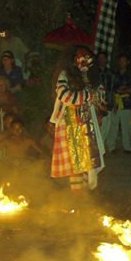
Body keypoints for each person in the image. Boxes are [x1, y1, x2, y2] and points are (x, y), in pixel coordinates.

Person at [49, 46, 106, 191]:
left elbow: (100, 96)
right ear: (74, 59)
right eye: (82, 58)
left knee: (88, 162)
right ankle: (78, 197)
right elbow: (64, 96)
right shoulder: (65, 74)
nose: (86, 62)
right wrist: (88, 96)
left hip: (88, 123)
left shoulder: (91, 77)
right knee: (76, 164)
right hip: (69, 123)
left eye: (88, 59)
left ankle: (85, 197)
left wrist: (96, 99)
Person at [108, 53, 131, 153]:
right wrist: (122, 90)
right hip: (115, 102)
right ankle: (111, 146)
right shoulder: (114, 74)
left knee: (126, 126)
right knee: (113, 125)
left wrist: (122, 90)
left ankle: (127, 147)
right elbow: (112, 88)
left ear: (127, 62)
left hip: (127, 103)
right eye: (120, 61)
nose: (122, 63)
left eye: (124, 61)